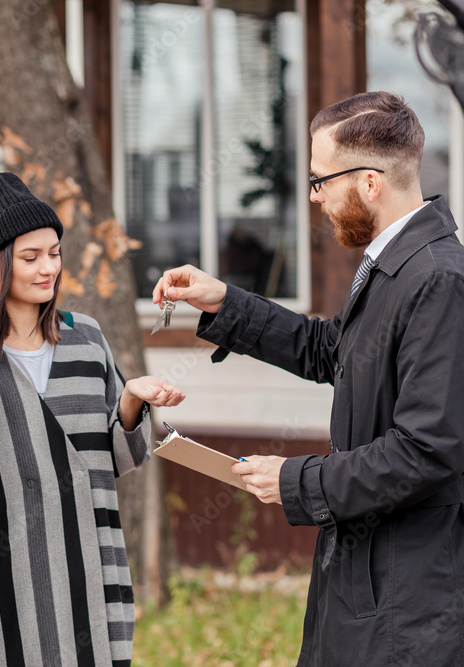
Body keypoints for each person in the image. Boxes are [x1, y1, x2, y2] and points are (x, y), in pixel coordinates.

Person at [152, 91, 464, 665]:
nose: (315, 197)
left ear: (370, 182)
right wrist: (225, 302)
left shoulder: (437, 280)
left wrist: (297, 481)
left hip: (407, 604)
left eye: (322, 180)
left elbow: (428, 450)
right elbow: (332, 350)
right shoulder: (391, 266)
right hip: (365, 582)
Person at [0, 172, 185, 666]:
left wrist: (132, 402)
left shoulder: (87, 340)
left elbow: (119, 457)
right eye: (30, 258)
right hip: (1, 586)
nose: (48, 267)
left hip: (89, 568)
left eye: (54, 253)